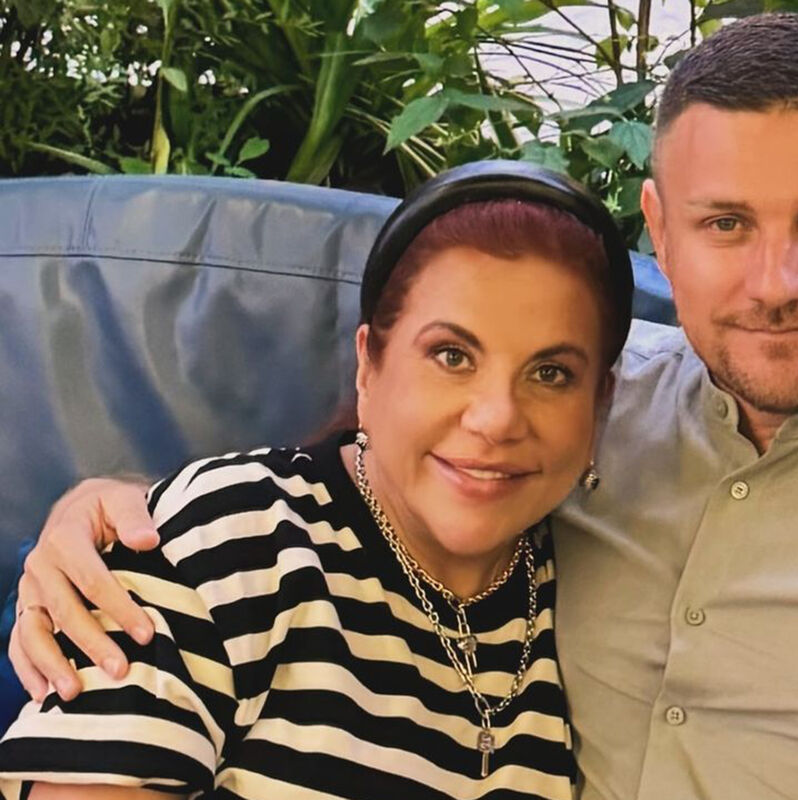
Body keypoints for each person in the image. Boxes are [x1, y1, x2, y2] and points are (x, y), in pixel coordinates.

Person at [8, 12, 798, 799]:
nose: (778, 280)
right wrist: (128, 513)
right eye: (726, 223)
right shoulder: (583, 413)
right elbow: (369, 481)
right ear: (660, 231)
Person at [0, 160, 635, 798]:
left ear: (599, 406)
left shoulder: (593, 591)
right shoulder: (235, 539)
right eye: (452, 356)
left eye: (551, 373)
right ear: (368, 367)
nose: (497, 419)